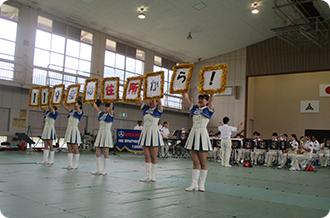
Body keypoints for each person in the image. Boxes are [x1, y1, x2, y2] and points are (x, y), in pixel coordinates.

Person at [183, 93, 214, 192]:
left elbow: (212, 101)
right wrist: (183, 90)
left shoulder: (209, 109)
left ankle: (202, 184)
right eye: (199, 99)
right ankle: (194, 184)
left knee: (203, 163)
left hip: (203, 135)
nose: (200, 101)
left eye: (203, 99)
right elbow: (187, 98)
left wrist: (212, 92)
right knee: (195, 162)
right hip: (193, 135)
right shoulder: (194, 108)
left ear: (207, 101)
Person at [138, 97, 164, 182]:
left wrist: (159, 96)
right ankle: (147, 175)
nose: (151, 102)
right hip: (145, 132)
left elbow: (160, 105)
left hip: (154, 133)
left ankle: (153, 175)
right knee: (147, 156)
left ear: (156, 103)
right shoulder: (145, 108)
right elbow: (140, 100)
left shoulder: (158, 110)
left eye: (153, 101)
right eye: (150, 100)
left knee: (153, 156)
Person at [91, 102, 114, 175]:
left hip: (106, 134)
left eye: (107, 107)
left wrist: (112, 101)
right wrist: (93, 101)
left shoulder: (111, 115)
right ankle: (98, 169)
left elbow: (111, 109)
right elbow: (96, 108)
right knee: (97, 152)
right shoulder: (101, 114)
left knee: (105, 153)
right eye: (105, 107)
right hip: (100, 133)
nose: (105, 108)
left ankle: (105, 169)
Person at [62, 100, 84, 170]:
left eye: (76, 104)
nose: (74, 105)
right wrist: (62, 101)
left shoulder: (80, 112)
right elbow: (65, 106)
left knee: (75, 147)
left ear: (79, 105)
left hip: (74, 130)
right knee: (69, 147)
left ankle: (76, 164)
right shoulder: (71, 111)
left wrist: (76, 104)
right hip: (69, 129)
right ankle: (69, 163)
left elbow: (78, 109)